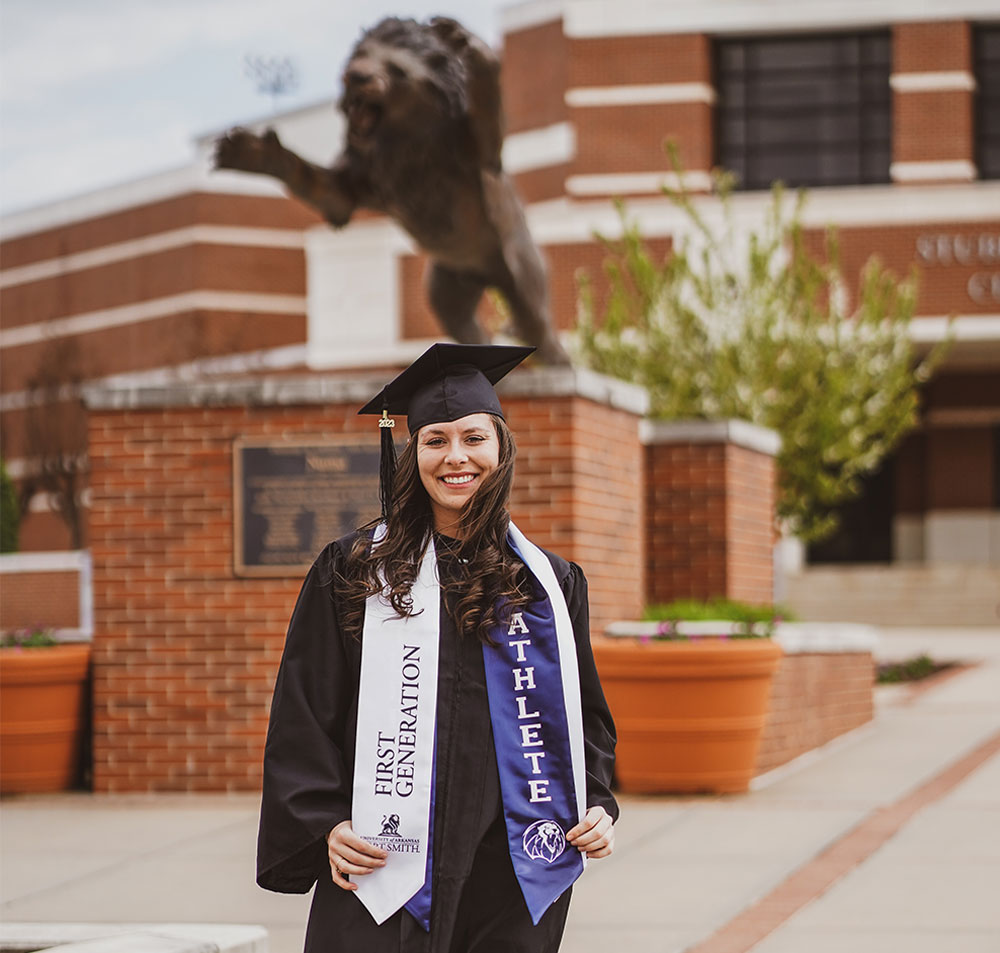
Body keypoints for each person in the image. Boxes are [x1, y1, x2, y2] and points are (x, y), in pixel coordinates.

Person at [256, 343, 618, 953]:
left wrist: (597, 801)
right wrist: (324, 823)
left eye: (474, 438)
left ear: (501, 450)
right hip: (381, 859)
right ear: (411, 453)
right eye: (436, 440)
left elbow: (582, 716)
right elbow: (304, 710)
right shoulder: (356, 570)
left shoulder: (548, 583)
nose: (457, 457)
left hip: (509, 864)